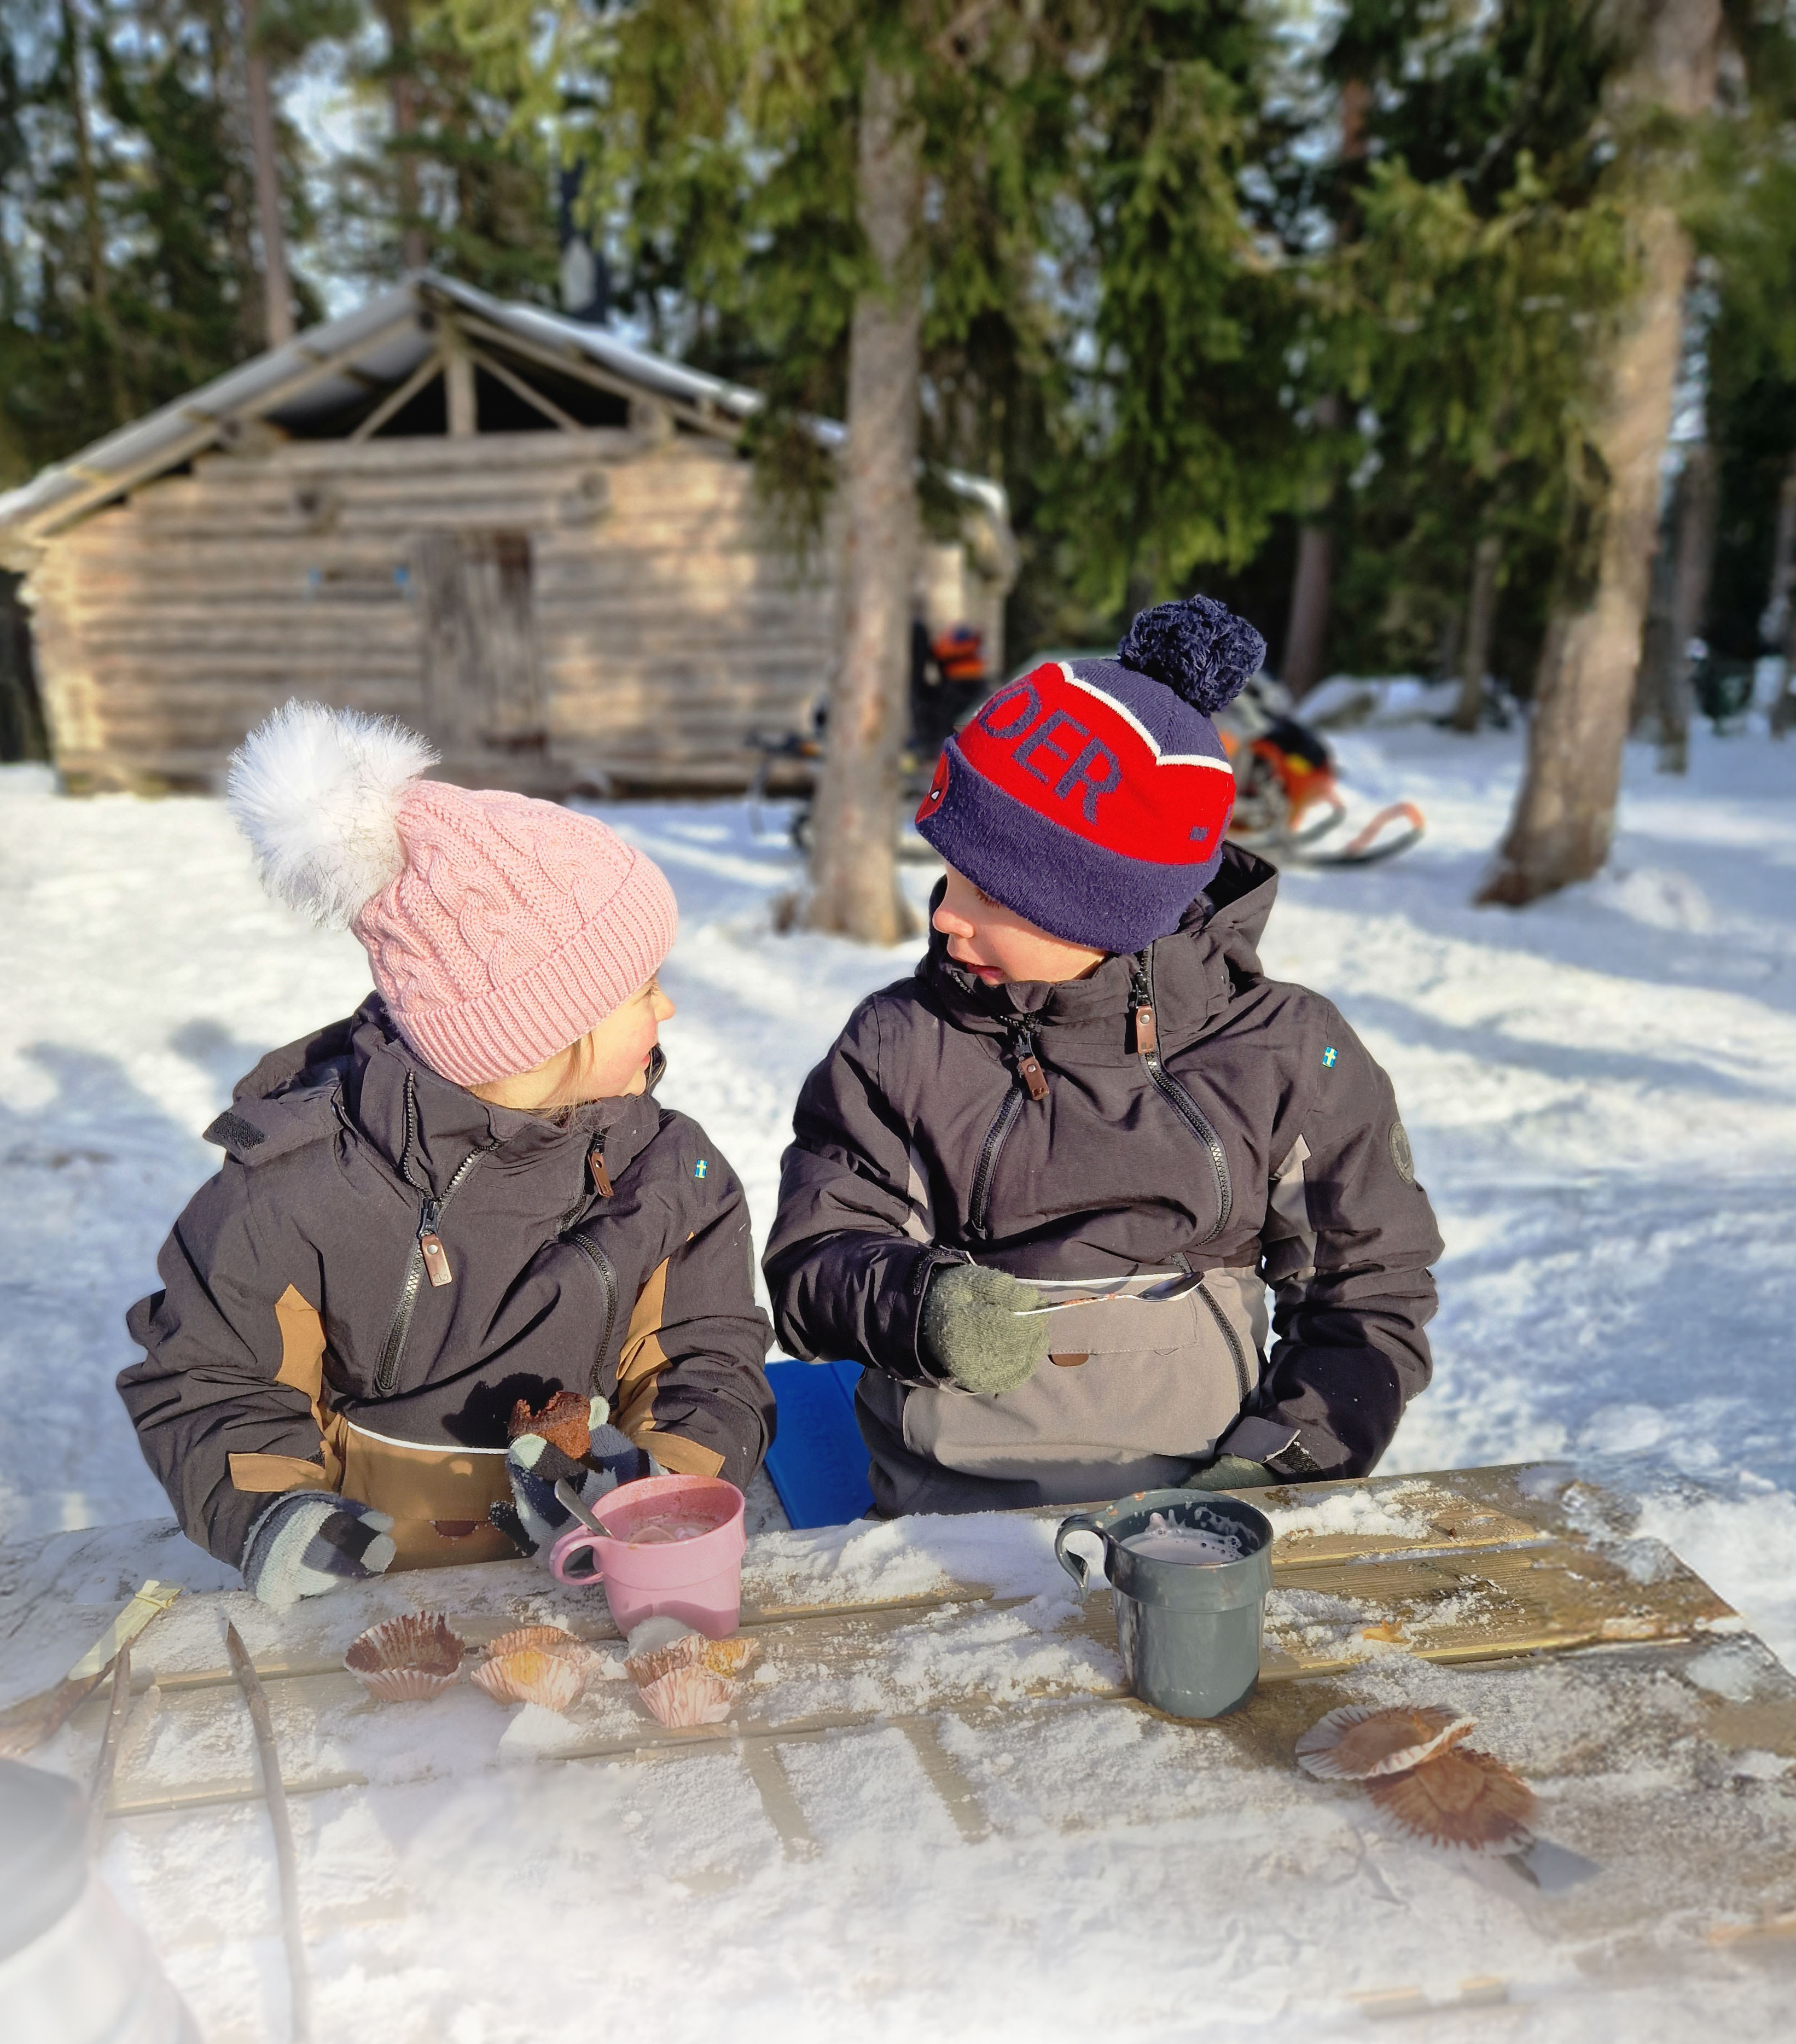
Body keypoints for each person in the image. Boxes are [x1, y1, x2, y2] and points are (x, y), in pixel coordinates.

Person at [765, 598, 1442, 1516]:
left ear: (1109, 916)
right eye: (948, 874)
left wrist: (1279, 1471)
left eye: (993, 896)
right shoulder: (903, 1045)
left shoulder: (1286, 1056)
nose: (945, 915)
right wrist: (919, 1308)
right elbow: (815, 1259)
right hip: (942, 1518)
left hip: (1205, 1514)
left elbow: (1371, 1291)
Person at [121, 703, 774, 1606]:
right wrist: (276, 1512)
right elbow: (213, 1376)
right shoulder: (299, 1194)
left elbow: (708, 1356)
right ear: (535, 1034)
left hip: (597, 1576)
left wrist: (652, 1485)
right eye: (642, 990)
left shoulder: (671, 1179)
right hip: (365, 1594)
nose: (666, 1014)